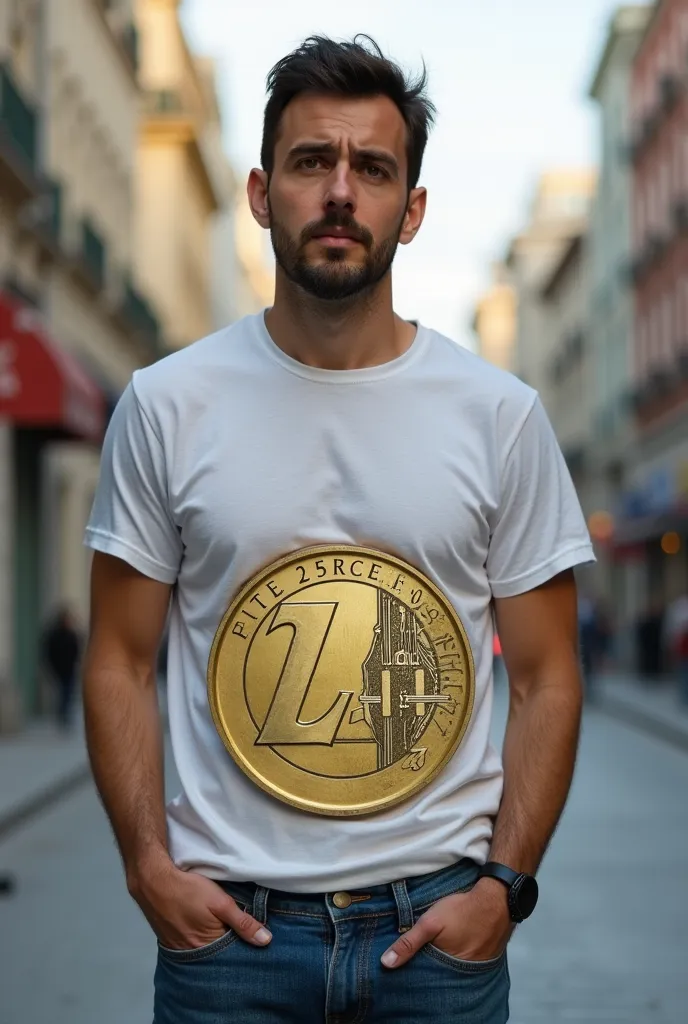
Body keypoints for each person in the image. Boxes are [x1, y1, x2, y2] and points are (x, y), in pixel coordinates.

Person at [83, 36, 594, 1024]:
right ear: (260, 191)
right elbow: (117, 656)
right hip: (227, 936)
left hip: (435, 932)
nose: (338, 192)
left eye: (372, 167)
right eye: (311, 160)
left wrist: (503, 888)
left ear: (411, 209)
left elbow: (546, 677)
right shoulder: (165, 405)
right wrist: (148, 866)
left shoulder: (497, 415)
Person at [43, 606, 81, 730]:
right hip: (58, 670)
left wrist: (76, 664)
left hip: (70, 670)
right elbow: (49, 652)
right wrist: (52, 668)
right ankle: (62, 715)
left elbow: (76, 651)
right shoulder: (54, 635)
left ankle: (65, 715)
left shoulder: (72, 635)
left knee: (68, 693)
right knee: (62, 693)